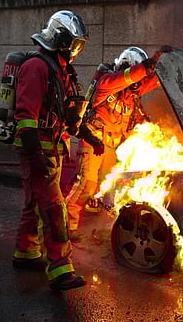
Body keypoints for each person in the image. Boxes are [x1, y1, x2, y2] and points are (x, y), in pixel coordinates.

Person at [11, 10, 100, 291]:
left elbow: (70, 117)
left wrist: (91, 137)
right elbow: (25, 116)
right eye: (74, 43)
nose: (76, 50)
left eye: (79, 45)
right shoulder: (37, 67)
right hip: (38, 150)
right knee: (54, 210)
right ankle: (61, 269)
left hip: (49, 149)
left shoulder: (61, 70)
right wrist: (36, 156)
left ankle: (25, 253)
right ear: (60, 38)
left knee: (32, 205)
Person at [66, 45, 172, 243]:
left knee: (111, 187)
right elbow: (127, 78)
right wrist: (148, 65)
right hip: (93, 141)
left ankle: (105, 228)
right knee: (86, 185)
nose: (137, 85)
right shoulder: (106, 83)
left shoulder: (131, 91)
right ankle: (66, 227)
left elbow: (151, 81)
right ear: (126, 68)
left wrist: (170, 65)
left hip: (112, 144)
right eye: (134, 77)